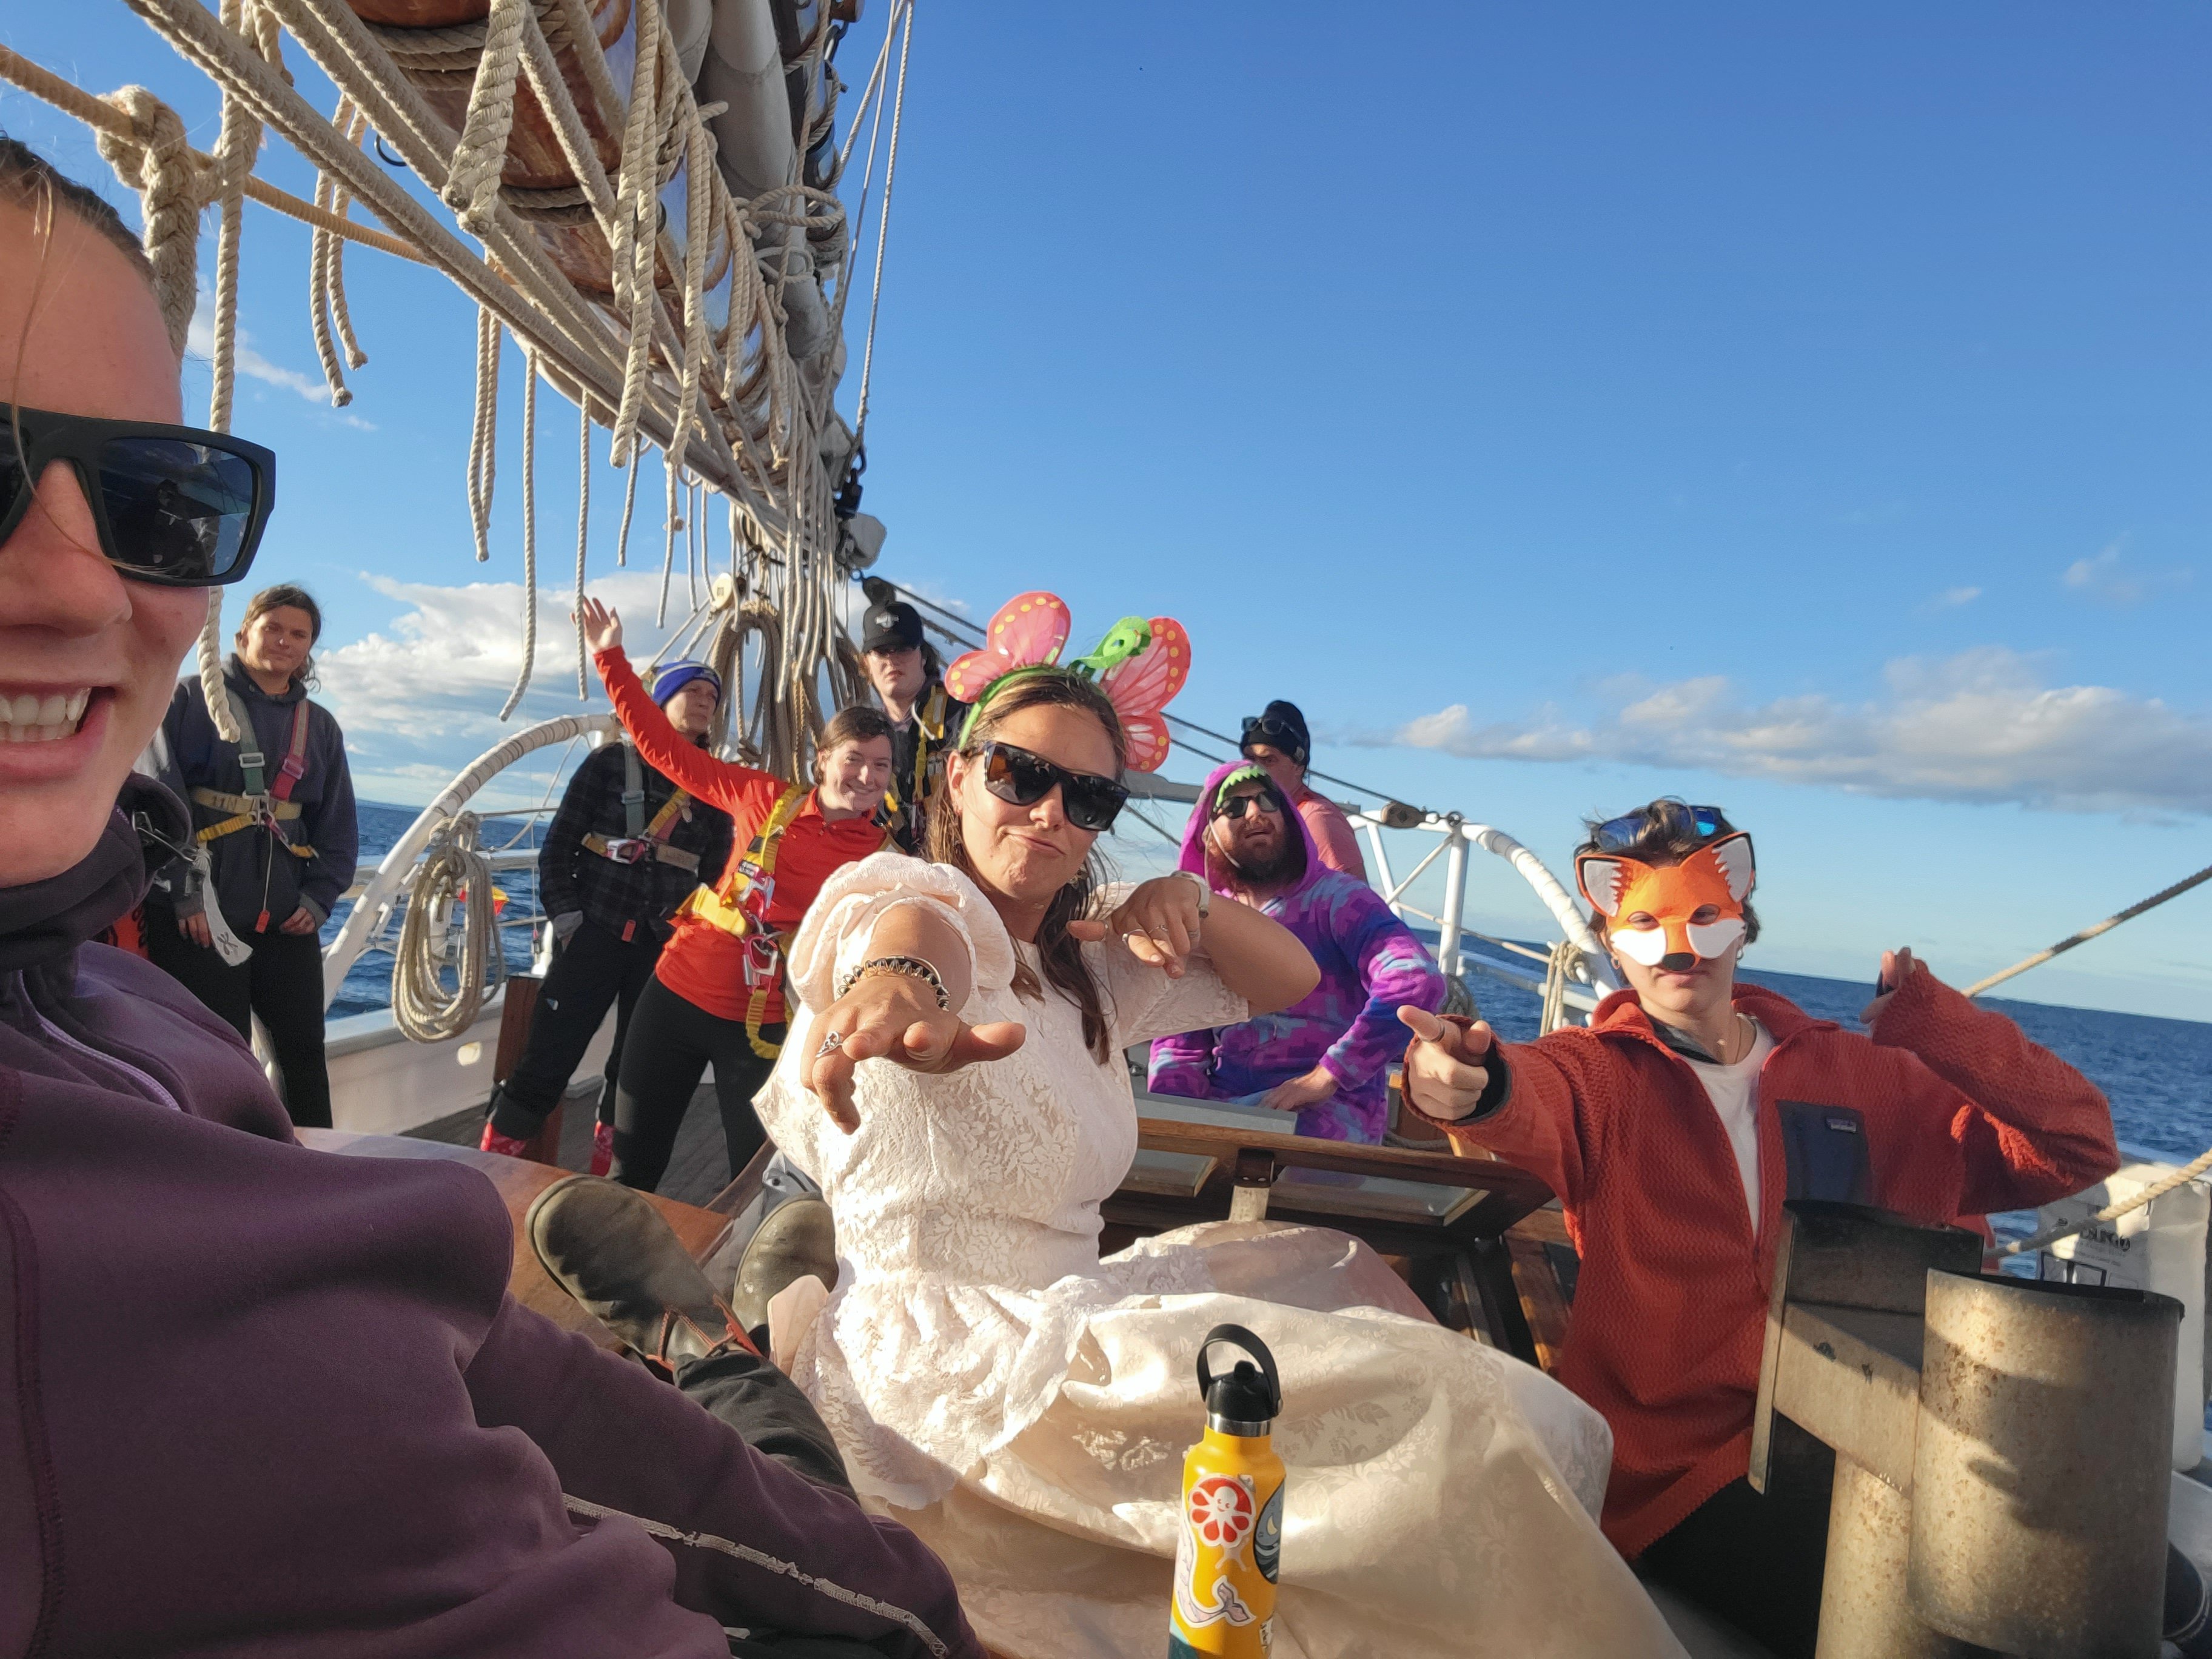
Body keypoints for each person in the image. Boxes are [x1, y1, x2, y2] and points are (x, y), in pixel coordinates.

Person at [0, 138, 978, 1658]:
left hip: (745, 1013)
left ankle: (702, 1304)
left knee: (651, 1201)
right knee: (613, 1135)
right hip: (655, 969)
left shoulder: (104, 995)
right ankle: (702, 1315)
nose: (75, 587)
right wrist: (603, 792)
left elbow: (916, 905)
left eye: (158, 501)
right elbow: (631, 765)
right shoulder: (750, 794)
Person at [734, 592, 1689, 1658]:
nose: (1049, 813)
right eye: (1018, 775)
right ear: (956, 775)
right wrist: (900, 986)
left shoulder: (1084, 973)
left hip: (1065, 1313)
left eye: (1088, 795)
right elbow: (911, 937)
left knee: (1371, 1303)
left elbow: (1286, 973)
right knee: (1453, 1419)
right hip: (955, 1367)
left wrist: (1183, 897)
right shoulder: (906, 890)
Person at [1397, 797, 2120, 1657]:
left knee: (2096, 1590)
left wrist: (1935, 1025)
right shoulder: (1600, 1075)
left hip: (1881, 1439)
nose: (1678, 946)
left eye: (1705, 914)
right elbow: (1525, 1096)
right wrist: (1463, 1083)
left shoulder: (1873, 1078)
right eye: (1645, 920)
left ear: (1743, 919)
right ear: (1608, 931)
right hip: (1680, 1474)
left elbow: (2079, 1144)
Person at [578, 594, 894, 1193]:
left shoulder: (880, 858)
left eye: (881, 767)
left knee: (759, 1185)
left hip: (763, 1025)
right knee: (631, 1169)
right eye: (856, 760)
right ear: (822, 760)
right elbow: (663, 749)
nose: (868, 777)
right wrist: (610, 658)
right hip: (673, 995)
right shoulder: (761, 796)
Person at [480, 660, 734, 1170]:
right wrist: (570, 922)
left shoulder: (716, 789)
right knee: (544, 1064)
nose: (706, 700)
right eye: (694, 690)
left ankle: (602, 1193)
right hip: (593, 934)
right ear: (660, 701)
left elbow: (715, 880)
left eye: (713, 694)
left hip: (663, 951)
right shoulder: (609, 764)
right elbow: (558, 850)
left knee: (631, 1076)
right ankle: (487, 1177)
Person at [142, 581, 358, 1128]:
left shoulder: (321, 729)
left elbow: (338, 827)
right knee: (220, 1060)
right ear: (242, 634)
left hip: (288, 921)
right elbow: (156, 800)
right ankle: (223, 1181)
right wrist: (185, 895)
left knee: (304, 1055)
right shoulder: (188, 700)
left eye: (299, 634)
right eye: (272, 628)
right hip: (203, 921)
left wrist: (320, 896)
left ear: (309, 649)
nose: (284, 641)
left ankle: (314, 1174)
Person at [1147, 760, 1445, 1142]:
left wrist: (1329, 1076)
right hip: (1225, 1114)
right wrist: (1174, 1131)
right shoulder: (1205, 920)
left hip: (1326, 1115)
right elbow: (1179, 1043)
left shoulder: (1340, 901)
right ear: (1207, 837)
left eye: (1267, 801)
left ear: (1289, 817)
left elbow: (1416, 981)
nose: (1255, 812)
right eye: (1234, 807)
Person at [857, 588, 965, 853]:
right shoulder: (861, 735)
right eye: (882, 652)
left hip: (960, 862)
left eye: (903, 649)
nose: (892, 660)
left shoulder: (964, 717)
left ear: (924, 656)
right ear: (866, 663)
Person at [1238, 697, 1367, 880]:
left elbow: (1356, 905)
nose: (1255, 771)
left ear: (1298, 766)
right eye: (1250, 759)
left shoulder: (1318, 820)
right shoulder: (1258, 817)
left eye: (1269, 760)